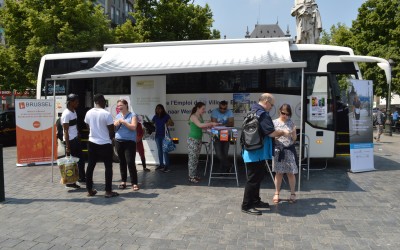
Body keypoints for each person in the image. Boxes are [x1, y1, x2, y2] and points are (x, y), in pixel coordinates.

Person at [241, 93, 289, 215]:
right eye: (271, 105)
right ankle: (246, 205)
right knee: (253, 179)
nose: (271, 108)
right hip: (256, 152)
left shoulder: (253, 110)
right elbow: (271, 133)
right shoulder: (262, 114)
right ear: (266, 101)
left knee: (257, 178)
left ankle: (256, 201)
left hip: (255, 151)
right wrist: (283, 132)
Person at [84, 94, 118, 198]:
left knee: (90, 166)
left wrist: (95, 131)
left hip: (92, 142)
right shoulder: (106, 114)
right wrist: (111, 138)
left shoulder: (89, 112)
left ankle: (89, 190)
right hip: (105, 144)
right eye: (104, 100)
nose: (105, 103)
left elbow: (87, 125)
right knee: (108, 167)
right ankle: (108, 191)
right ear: (100, 101)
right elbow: (111, 130)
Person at [272, 104, 298, 204]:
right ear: (280, 111)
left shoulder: (291, 123)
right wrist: (282, 133)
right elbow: (272, 138)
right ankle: (277, 193)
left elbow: (294, 139)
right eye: (283, 113)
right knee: (279, 173)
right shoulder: (274, 123)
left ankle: (292, 193)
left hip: (289, 150)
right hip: (278, 150)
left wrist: (293, 132)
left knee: (290, 173)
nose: (285, 116)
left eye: (288, 114)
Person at [187, 102, 219, 183]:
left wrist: (209, 126)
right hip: (192, 140)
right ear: (198, 108)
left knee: (196, 159)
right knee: (192, 159)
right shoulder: (193, 116)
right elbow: (200, 125)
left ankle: (193, 175)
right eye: (203, 109)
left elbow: (202, 127)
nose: (204, 111)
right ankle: (191, 177)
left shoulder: (200, 116)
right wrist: (211, 123)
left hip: (198, 139)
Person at [114, 99, 140, 191]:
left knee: (130, 162)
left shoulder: (133, 115)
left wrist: (123, 122)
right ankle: (123, 181)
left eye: (121, 105)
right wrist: (115, 124)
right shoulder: (117, 116)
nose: (119, 107)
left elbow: (133, 127)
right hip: (118, 141)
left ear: (126, 105)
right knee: (122, 162)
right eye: (118, 106)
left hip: (129, 142)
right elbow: (114, 128)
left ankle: (134, 182)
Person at [61, 93, 85, 189]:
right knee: (72, 162)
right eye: (76, 101)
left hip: (75, 139)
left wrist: (78, 133)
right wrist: (67, 146)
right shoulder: (66, 114)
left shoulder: (73, 111)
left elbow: (74, 125)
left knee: (80, 160)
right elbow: (65, 131)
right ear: (71, 102)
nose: (78, 103)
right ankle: (70, 182)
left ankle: (81, 178)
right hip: (70, 141)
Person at [210, 100, 234, 172]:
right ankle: (229, 165)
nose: (223, 110)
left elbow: (232, 124)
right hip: (216, 134)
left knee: (225, 153)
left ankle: (222, 169)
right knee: (219, 154)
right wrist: (226, 124)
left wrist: (219, 124)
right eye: (221, 108)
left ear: (227, 107)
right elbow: (214, 123)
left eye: (224, 109)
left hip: (226, 134)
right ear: (219, 106)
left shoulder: (229, 112)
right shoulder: (214, 111)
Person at [152, 104, 174, 173]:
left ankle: (167, 166)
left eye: (159, 108)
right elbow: (152, 123)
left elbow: (172, 123)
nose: (158, 110)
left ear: (162, 109)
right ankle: (161, 165)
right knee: (159, 150)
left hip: (165, 136)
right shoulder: (155, 117)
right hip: (157, 136)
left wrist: (168, 123)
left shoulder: (166, 116)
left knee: (165, 151)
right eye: (157, 108)